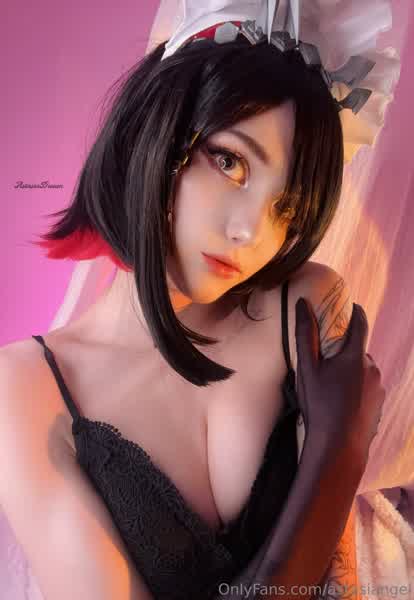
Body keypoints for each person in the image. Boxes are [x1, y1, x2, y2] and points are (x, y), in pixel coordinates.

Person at [0, 1, 394, 599]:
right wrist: (336, 456)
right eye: (230, 161)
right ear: (155, 129)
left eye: (286, 207)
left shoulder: (305, 305)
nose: (250, 232)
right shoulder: (25, 387)